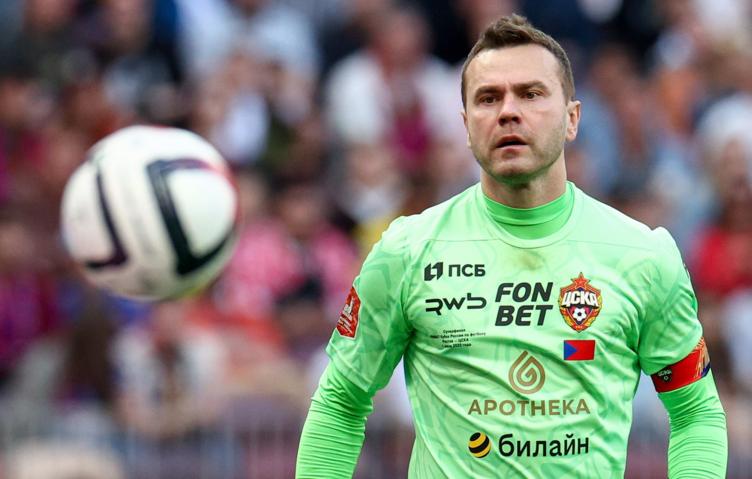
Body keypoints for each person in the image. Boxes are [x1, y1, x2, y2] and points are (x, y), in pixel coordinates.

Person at [296, 14, 727, 478]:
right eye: (488, 98)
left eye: (530, 94)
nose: (508, 111)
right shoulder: (407, 250)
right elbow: (340, 402)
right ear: (466, 127)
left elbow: (695, 412)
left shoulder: (643, 255)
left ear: (572, 119)